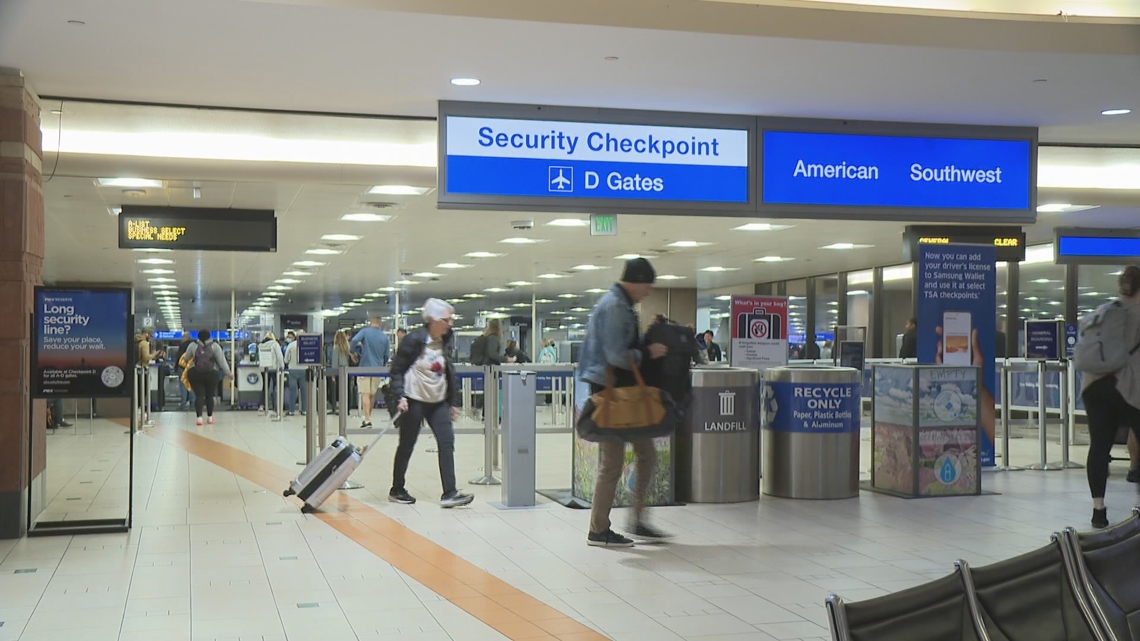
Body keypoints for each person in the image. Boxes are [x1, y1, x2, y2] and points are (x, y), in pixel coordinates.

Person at [578, 258, 670, 548]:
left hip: (621, 390)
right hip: (614, 392)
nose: (647, 292)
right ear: (635, 281)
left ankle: (638, 519)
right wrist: (648, 352)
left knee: (646, 455)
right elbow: (617, 355)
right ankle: (598, 529)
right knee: (613, 463)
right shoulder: (616, 306)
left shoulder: (619, 303)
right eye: (646, 286)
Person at [387, 298, 474, 509]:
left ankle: (450, 493)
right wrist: (400, 396)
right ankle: (397, 489)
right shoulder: (414, 340)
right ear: (433, 320)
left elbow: (448, 370)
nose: (450, 323)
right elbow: (396, 370)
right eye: (446, 319)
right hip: (414, 400)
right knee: (407, 444)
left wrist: (453, 401)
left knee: (446, 442)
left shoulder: (445, 339)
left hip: (438, 402)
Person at [1080, 265, 1140, 529]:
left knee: (1099, 447)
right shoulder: (1137, 312)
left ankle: (1098, 511)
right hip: (1125, 387)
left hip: (1093, 386)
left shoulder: (1106, 310)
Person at [183, 330, 233, 426]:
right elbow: (222, 361)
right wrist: (229, 373)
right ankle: (210, 417)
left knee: (199, 395)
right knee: (210, 395)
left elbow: (186, 358)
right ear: (209, 336)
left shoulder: (193, 345)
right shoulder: (215, 346)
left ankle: (199, 418)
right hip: (212, 374)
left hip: (195, 373)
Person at [351, 316, 391, 429]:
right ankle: (368, 417)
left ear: (371, 323)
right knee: (372, 394)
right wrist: (382, 363)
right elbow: (387, 355)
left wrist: (352, 352)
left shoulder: (365, 332)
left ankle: (367, 419)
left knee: (365, 393)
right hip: (377, 368)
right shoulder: (384, 337)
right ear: (380, 324)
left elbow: (354, 340)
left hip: (365, 366)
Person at [328, 329, 355, 414]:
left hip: (339, 370)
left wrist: (333, 374)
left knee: (339, 390)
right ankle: (347, 408)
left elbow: (335, 361)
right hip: (347, 369)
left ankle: (339, 408)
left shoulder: (336, 347)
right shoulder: (347, 346)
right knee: (347, 390)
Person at [258, 332, 284, 415]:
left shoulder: (260, 345)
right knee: (275, 387)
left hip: (263, 368)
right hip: (273, 368)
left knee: (265, 387)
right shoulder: (275, 344)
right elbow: (279, 356)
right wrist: (282, 366)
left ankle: (262, 405)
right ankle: (275, 405)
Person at [283, 330, 306, 417]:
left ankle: (291, 410)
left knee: (292, 391)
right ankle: (304, 410)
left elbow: (286, 359)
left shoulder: (291, 345)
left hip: (292, 370)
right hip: (304, 370)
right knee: (304, 391)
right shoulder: (307, 345)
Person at [176, 333, 195, 410]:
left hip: (182, 367)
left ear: (186, 337)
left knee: (183, 385)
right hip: (191, 367)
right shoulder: (193, 345)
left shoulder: (183, 346)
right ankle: (193, 403)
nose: (181, 339)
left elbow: (179, 357)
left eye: (182, 337)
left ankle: (183, 403)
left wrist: (176, 367)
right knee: (191, 385)